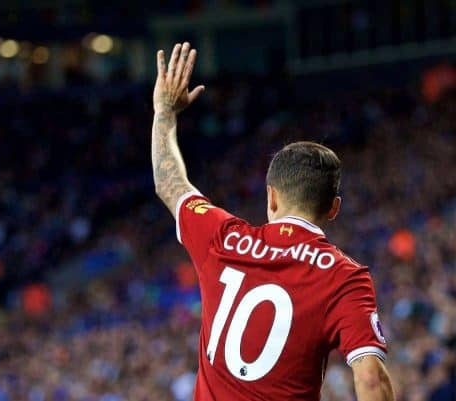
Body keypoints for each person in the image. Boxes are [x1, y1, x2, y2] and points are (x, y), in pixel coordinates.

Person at [151, 42, 395, 401]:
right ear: (333, 208)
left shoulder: (222, 238)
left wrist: (164, 113)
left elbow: (169, 183)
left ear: (272, 197)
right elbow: (371, 381)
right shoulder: (345, 278)